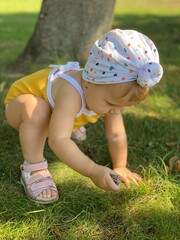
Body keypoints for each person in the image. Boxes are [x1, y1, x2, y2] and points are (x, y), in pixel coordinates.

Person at [4, 29, 163, 204]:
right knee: (39, 110)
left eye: (122, 106)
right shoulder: (71, 93)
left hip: (56, 111)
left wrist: (120, 166)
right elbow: (58, 141)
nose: (115, 110)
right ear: (89, 82)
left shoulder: (108, 96)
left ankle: (67, 123)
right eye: (110, 104)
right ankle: (34, 169)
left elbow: (116, 134)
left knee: (59, 118)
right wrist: (93, 170)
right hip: (19, 107)